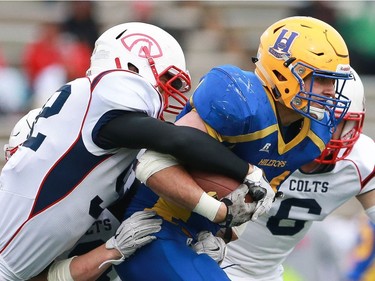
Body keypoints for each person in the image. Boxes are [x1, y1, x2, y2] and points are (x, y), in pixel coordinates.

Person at [0, 22, 260, 280]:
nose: (167, 92)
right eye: (166, 79)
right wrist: (247, 172)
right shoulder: (102, 98)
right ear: (131, 66)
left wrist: (193, 237)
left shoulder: (105, 160)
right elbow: (177, 140)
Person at [114, 16, 353, 280]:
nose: (330, 91)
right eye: (320, 79)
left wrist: (223, 233)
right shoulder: (239, 97)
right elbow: (153, 164)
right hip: (152, 225)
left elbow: (254, 199)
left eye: (333, 82)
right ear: (283, 71)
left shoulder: (315, 135)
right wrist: (216, 212)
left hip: (198, 238)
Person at [221, 67, 375, 281]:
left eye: (333, 122)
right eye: (313, 118)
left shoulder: (360, 162)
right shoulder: (258, 142)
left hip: (268, 274)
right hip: (213, 259)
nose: (321, 131)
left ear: (350, 125)